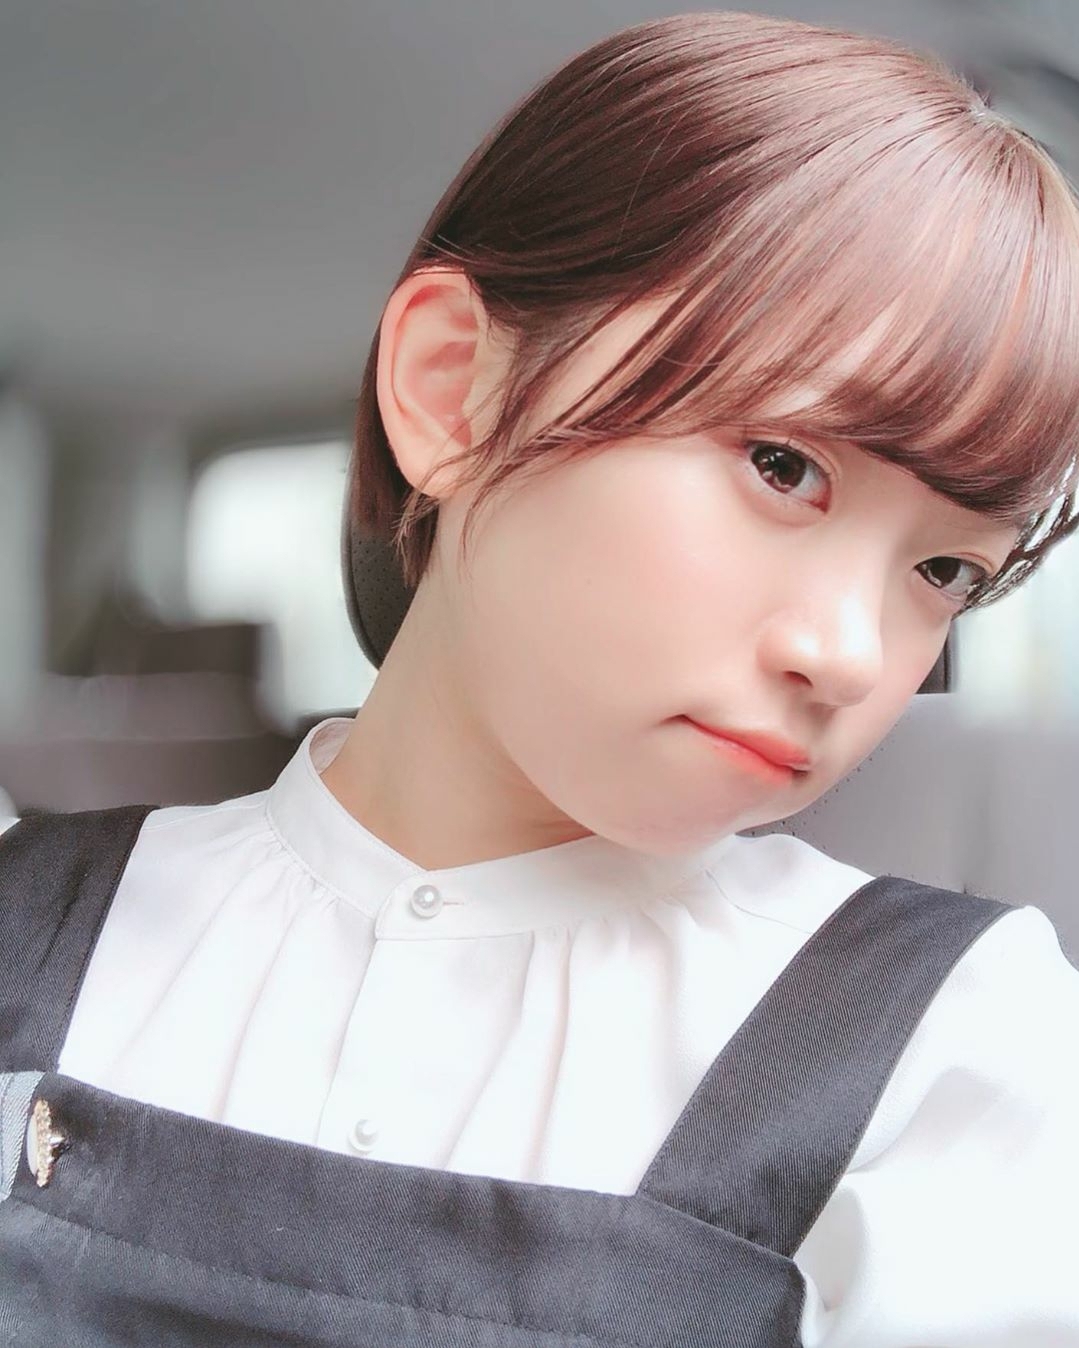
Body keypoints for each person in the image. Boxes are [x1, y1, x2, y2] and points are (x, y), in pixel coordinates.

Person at [2, 9, 1079, 1345]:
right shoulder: (27, 917)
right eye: (784, 466)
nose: (852, 657)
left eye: (946, 572)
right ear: (451, 389)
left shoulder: (957, 1048)